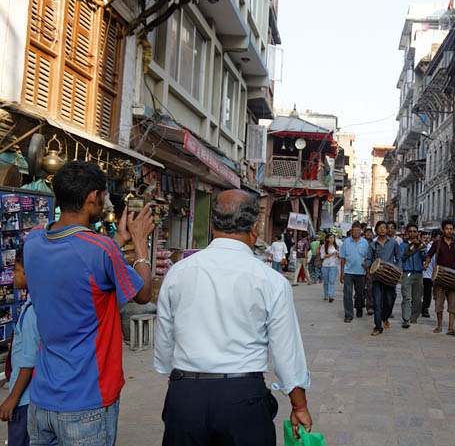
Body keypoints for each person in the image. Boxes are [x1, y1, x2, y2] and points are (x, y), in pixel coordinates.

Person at [154, 190, 312, 445]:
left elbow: (164, 342)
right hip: (242, 399)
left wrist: (175, 378)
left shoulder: (178, 272)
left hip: (186, 395)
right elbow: (287, 354)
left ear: (213, 225)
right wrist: (299, 405)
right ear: (255, 229)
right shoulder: (270, 281)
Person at [24, 161, 154, 445]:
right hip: (87, 400)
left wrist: (119, 238)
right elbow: (143, 294)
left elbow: (83, 262)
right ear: (92, 197)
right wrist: (141, 241)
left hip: (42, 398)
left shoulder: (33, 241)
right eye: (105, 195)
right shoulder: (100, 248)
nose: (106, 200)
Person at [0, 246, 39, 446]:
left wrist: (12, 399)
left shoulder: (32, 311)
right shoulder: (32, 305)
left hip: (24, 401)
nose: (12, 274)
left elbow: (28, 362)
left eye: (15, 269)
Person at [424, 220, 455, 336]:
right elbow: (429, 255)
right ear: (443, 230)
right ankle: (439, 325)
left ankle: (451, 327)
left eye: (451, 229)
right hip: (440, 275)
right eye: (447, 229)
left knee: (453, 302)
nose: (449, 231)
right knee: (439, 302)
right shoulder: (437, 243)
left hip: (453, 276)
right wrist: (426, 264)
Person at [366, 221, 401, 336]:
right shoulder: (372, 245)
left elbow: (398, 258)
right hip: (377, 278)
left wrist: (398, 269)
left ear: (387, 230)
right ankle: (378, 326)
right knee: (377, 302)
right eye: (380, 228)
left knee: (390, 300)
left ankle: (385, 317)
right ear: (376, 231)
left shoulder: (394, 243)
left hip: (390, 277)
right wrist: (366, 264)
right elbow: (369, 259)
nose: (382, 229)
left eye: (384, 228)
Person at [339, 221, 370, 323]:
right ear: (351, 231)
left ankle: (359, 308)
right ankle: (348, 314)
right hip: (348, 272)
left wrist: (367, 271)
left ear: (361, 231)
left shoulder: (365, 243)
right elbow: (342, 258)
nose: (356, 232)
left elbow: (367, 258)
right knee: (347, 294)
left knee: (360, 294)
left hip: (361, 272)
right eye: (354, 230)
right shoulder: (346, 242)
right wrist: (342, 273)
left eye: (358, 230)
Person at [399, 224, 426, 328]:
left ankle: (414, 317)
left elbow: (425, 257)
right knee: (406, 297)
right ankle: (406, 319)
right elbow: (402, 257)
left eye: (414, 231)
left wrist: (422, 250)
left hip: (418, 273)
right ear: (407, 233)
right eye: (410, 231)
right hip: (407, 273)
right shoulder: (402, 245)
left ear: (417, 233)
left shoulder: (421, 244)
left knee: (417, 298)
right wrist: (409, 250)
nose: (412, 233)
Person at [420, 230, 437, 318]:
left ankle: (425, 308)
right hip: (419, 273)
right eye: (424, 238)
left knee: (427, 292)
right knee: (418, 292)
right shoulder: (418, 246)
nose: (426, 239)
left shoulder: (432, 247)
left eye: (427, 238)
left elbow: (434, 260)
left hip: (428, 274)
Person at [321, 233, 339, 302]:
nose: (332, 239)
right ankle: (326, 294)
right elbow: (322, 256)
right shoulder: (323, 246)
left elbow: (338, 256)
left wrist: (337, 255)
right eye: (330, 237)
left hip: (333, 265)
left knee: (332, 281)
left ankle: (331, 295)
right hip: (325, 265)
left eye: (333, 238)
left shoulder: (336, 246)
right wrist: (332, 254)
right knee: (326, 281)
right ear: (327, 239)